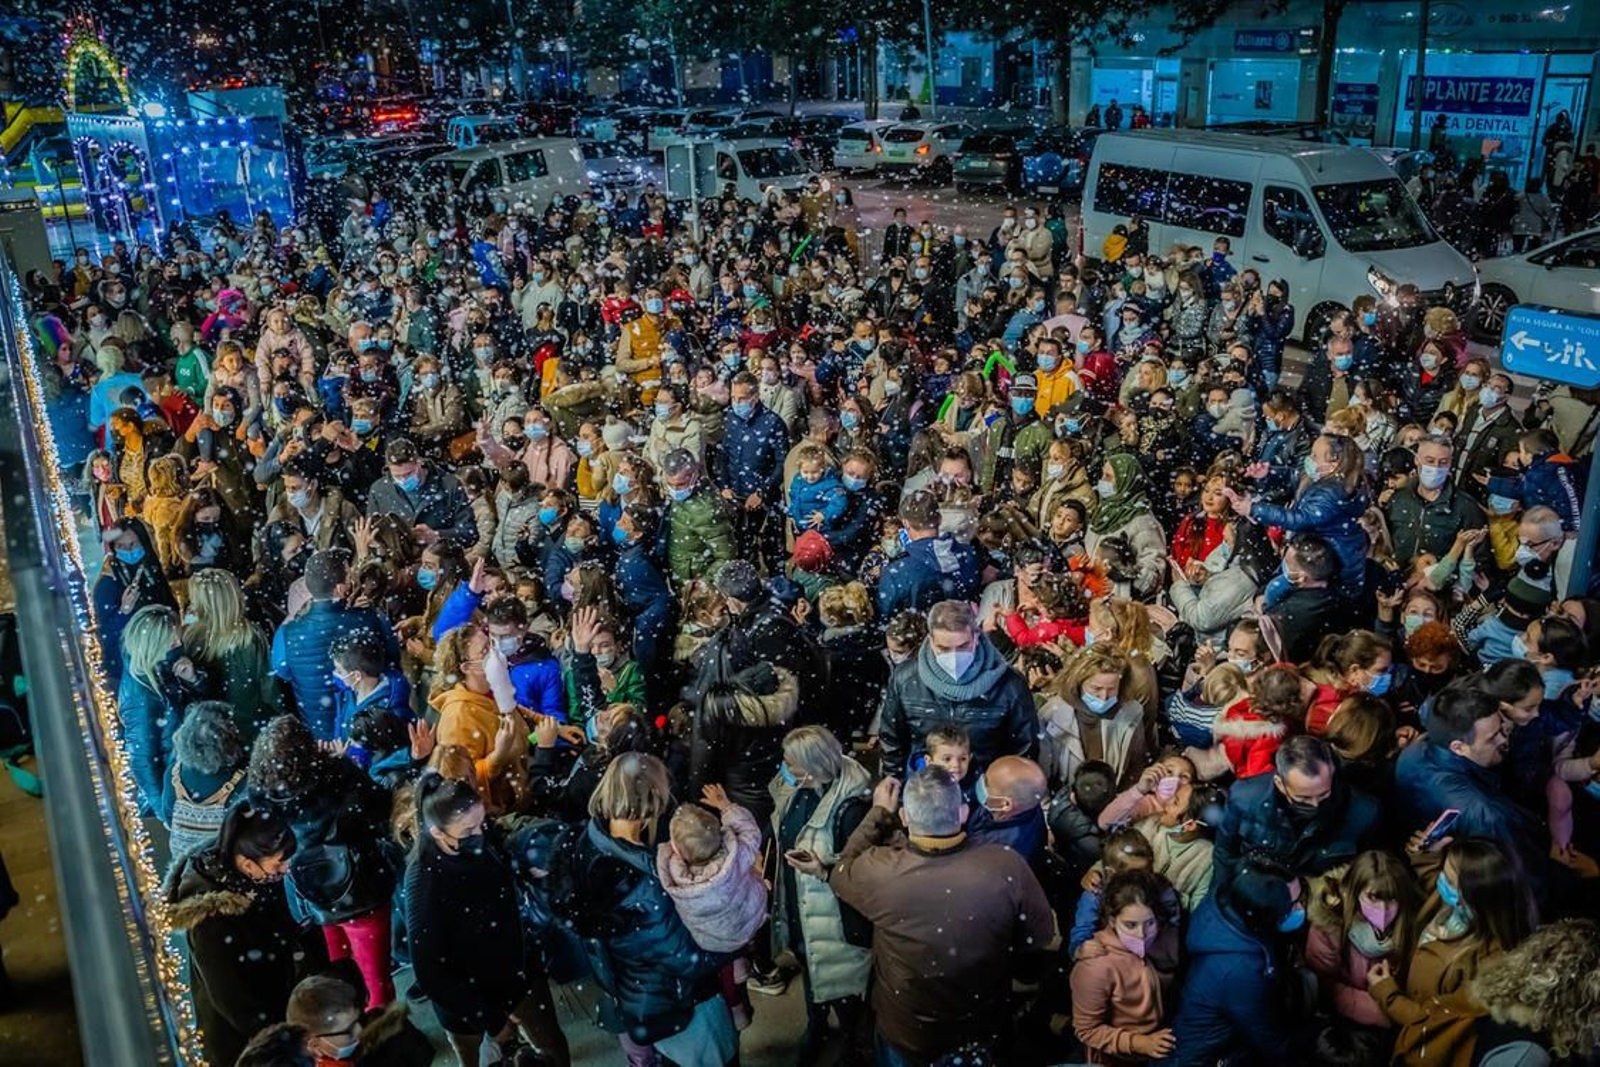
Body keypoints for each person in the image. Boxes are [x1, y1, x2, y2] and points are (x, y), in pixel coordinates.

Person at [813, 767, 1054, 1065]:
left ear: (904, 817)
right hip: (980, 1025)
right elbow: (1038, 936)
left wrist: (877, 813)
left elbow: (842, 870)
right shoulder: (1006, 864)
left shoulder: (878, 871)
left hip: (907, 1030)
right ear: (963, 812)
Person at [406, 773, 569, 1067]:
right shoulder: (423, 883)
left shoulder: (478, 834)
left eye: (482, 823)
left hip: (519, 974)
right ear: (437, 832)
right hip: (468, 1002)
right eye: (468, 832)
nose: (480, 834)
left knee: (551, 1047)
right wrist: (490, 1018)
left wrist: (523, 869)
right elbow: (430, 973)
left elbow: (501, 862)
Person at [166, 801, 308, 1067]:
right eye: (278, 863)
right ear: (246, 863)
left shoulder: (255, 879)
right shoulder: (211, 918)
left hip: (274, 1007)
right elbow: (229, 996)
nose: (285, 869)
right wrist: (276, 1035)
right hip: (242, 1041)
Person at [769, 726, 873, 1055]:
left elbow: (861, 875)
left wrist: (823, 868)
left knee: (843, 985)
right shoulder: (799, 788)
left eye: (790, 762)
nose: (783, 766)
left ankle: (854, 1044)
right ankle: (817, 1024)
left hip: (834, 917)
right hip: (802, 906)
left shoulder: (851, 808)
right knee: (810, 965)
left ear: (812, 765)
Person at [1158, 856, 1306, 1065]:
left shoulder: (1225, 900)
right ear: (1264, 913)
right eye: (1292, 905)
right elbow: (1269, 1038)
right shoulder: (1239, 970)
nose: (1300, 909)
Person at [877, 599, 1038, 776]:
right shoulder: (905, 680)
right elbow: (892, 742)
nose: (954, 657)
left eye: (962, 646)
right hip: (924, 789)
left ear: (976, 637)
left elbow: (1023, 750)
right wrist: (898, 788)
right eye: (944, 648)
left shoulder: (1010, 685)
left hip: (985, 789)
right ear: (930, 640)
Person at [1212, 735, 1379, 892]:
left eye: (1323, 794)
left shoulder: (1363, 813)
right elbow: (1225, 853)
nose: (1315, 804)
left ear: (1332, 771)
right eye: (1303, 798)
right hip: (1261, 891)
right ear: (1279, 783)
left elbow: (1366, 870)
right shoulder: (1244, 799)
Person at [270, 550, 396, 741]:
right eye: (349, 574)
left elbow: (282, 671)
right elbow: (392, 659)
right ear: (339, 588)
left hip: (318, 732)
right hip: (368, 728)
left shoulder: (287, 632)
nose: (353, 578)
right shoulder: (371, 619)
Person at [1070, 868, 1179, 1065]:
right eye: (1130, 925)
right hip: (1116, 1058)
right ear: (1112, 920)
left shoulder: (1166, 940)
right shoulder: (1095, 968)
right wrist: (1139, 1043)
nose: (1141, 934)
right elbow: (1087, 1030)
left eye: (1149, 923)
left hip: (1155, 1042)